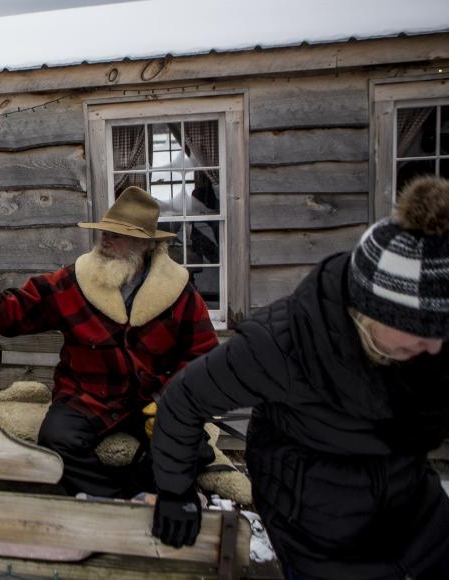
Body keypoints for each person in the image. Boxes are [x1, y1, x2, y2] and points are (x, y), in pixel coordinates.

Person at [150, 176, 449, 579]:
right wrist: (174, 490)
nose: (434, 346)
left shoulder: (432, 348)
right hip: (316, 525)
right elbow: (184, 399)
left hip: (414, 510)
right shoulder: (281, 345)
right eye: (419, 330)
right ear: (368, 310)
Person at [0, 187, 219, 497]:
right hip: (86, 396)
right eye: (104, 232)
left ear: (146, 245)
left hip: (149, 401)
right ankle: (112, 501)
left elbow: (203, 358)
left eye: (117, 235)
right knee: (56, 441)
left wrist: (167, 404)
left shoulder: (181, 293)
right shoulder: (75, 280)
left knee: (194, 450)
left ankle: (135, 492)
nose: (105, 240)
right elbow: (20, 306)